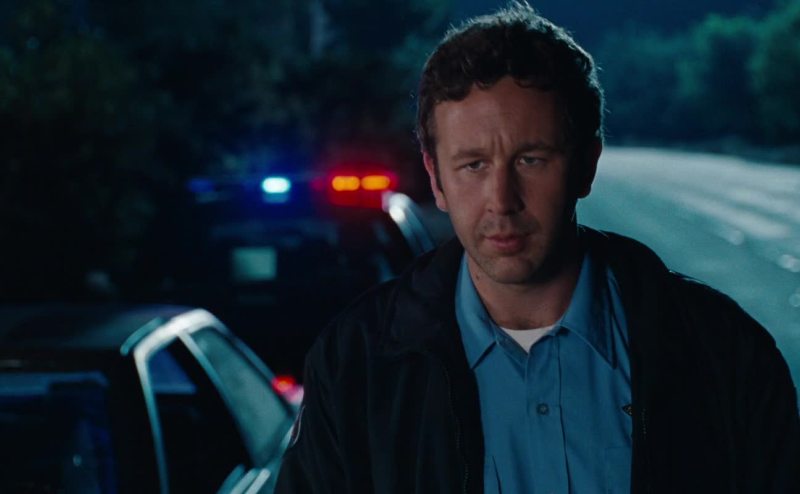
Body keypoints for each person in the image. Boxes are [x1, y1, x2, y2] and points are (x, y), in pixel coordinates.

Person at [275, 3, 800, 493]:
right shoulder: (356, 365)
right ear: (435, 178)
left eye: (531, 160)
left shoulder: (723, 354)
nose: (501, 201)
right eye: (473, 165)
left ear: (586, 165)